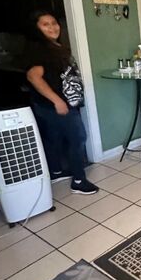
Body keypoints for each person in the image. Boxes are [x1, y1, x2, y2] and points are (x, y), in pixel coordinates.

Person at [26, 10, 99, 195]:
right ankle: (78, 180)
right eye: (45, 24)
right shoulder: (40, 49)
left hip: (48, 105)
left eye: (54, 23)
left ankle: (57, 171)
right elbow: (33, 77)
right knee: (78, 138)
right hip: (57, 105)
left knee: (54, 137)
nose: (52, 27)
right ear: (37, 28)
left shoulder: (56, 47)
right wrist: (58, 101)